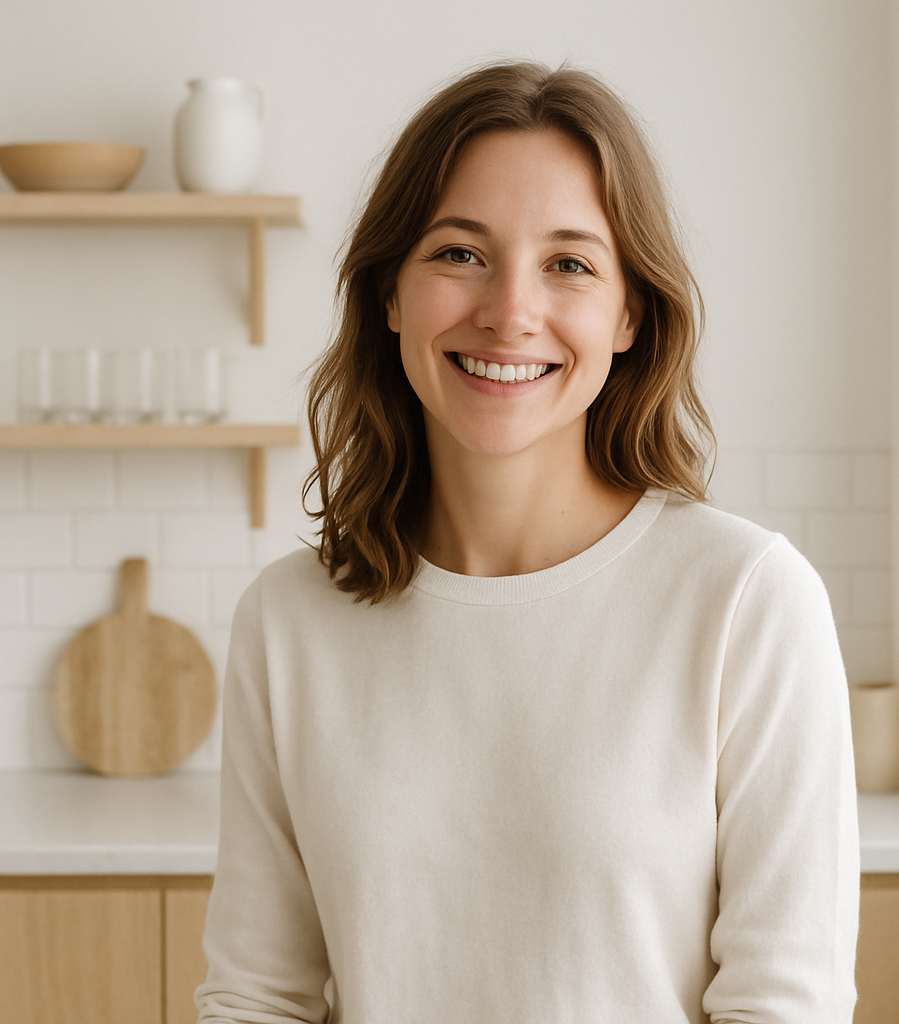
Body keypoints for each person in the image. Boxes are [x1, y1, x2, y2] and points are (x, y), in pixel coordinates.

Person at [196, 61, 859, 1024]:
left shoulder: (747, 601)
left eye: (570, 264)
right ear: (389, 294)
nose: (510, 311)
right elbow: (258, 997)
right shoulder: (289, 620)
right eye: (460, 253)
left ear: (630, 313)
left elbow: (783, 1006)